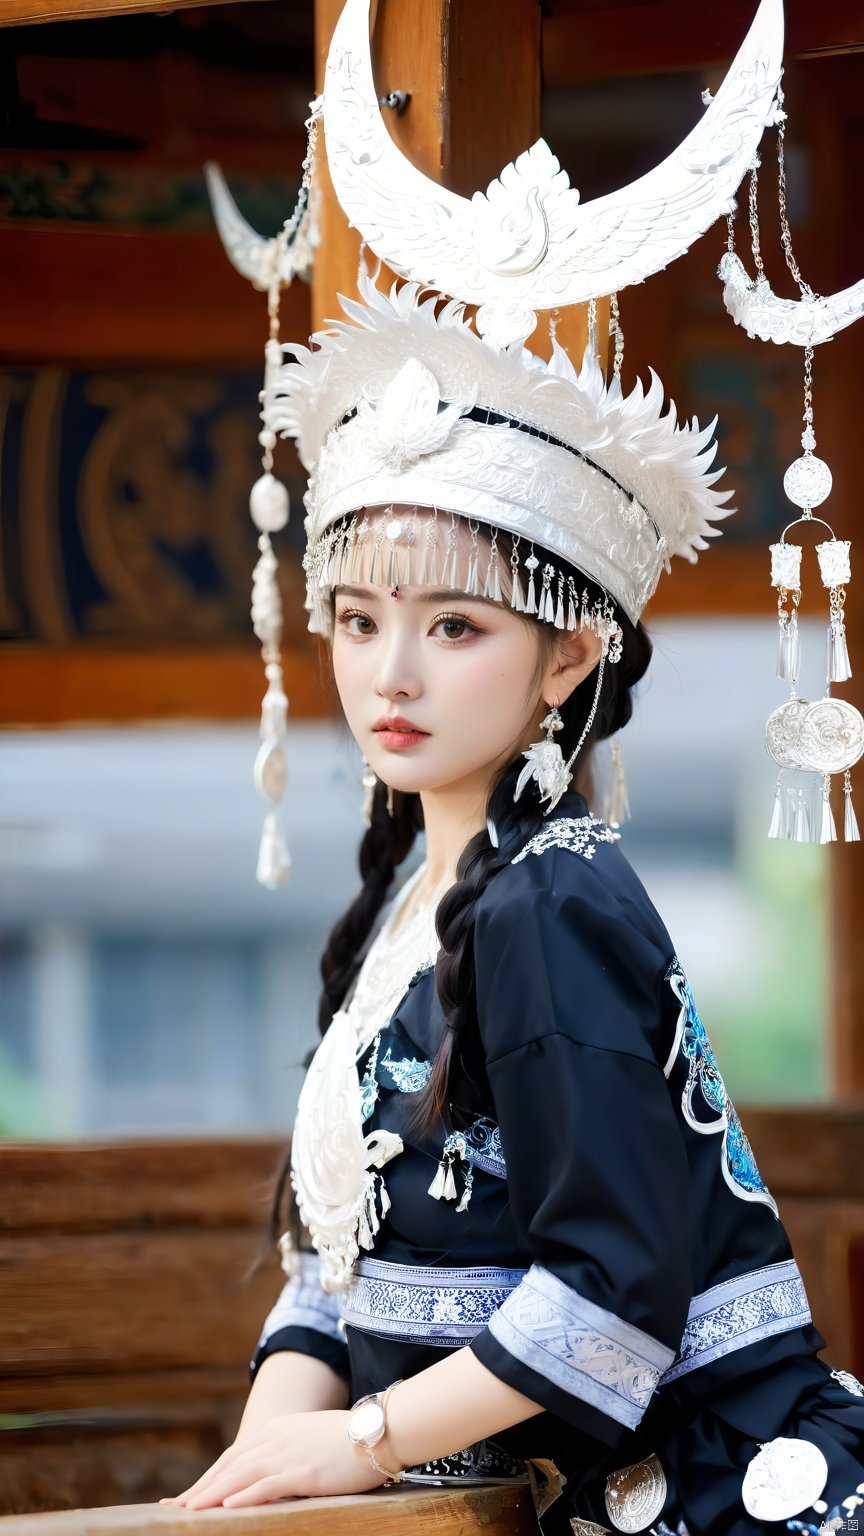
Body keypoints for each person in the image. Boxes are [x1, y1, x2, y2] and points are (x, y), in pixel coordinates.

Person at [159, 267, 864, 1532]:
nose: (392, 674)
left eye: (456, 628)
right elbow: (338, 1265)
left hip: (690, 1494)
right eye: (359, 619)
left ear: (570, 654)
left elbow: (611, 1296)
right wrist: (264, 1472)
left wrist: (360, 1444)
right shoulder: (398, 908)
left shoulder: (551, 900)